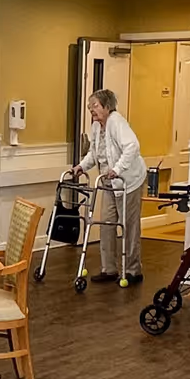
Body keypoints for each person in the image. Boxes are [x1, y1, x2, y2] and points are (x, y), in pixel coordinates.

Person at [66, 88, 145, 283]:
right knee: (106, 224)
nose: (91, 109)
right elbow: (95, 153)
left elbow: (132, 147)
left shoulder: (116, 122)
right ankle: (109, 269)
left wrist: (117, 169)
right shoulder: (95, 127)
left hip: (129, 181)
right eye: (89, 106)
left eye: (95, 105)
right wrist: (81, 167)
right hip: (109, 182)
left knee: (129, 226)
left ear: (107, 106)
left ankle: (133, 271)